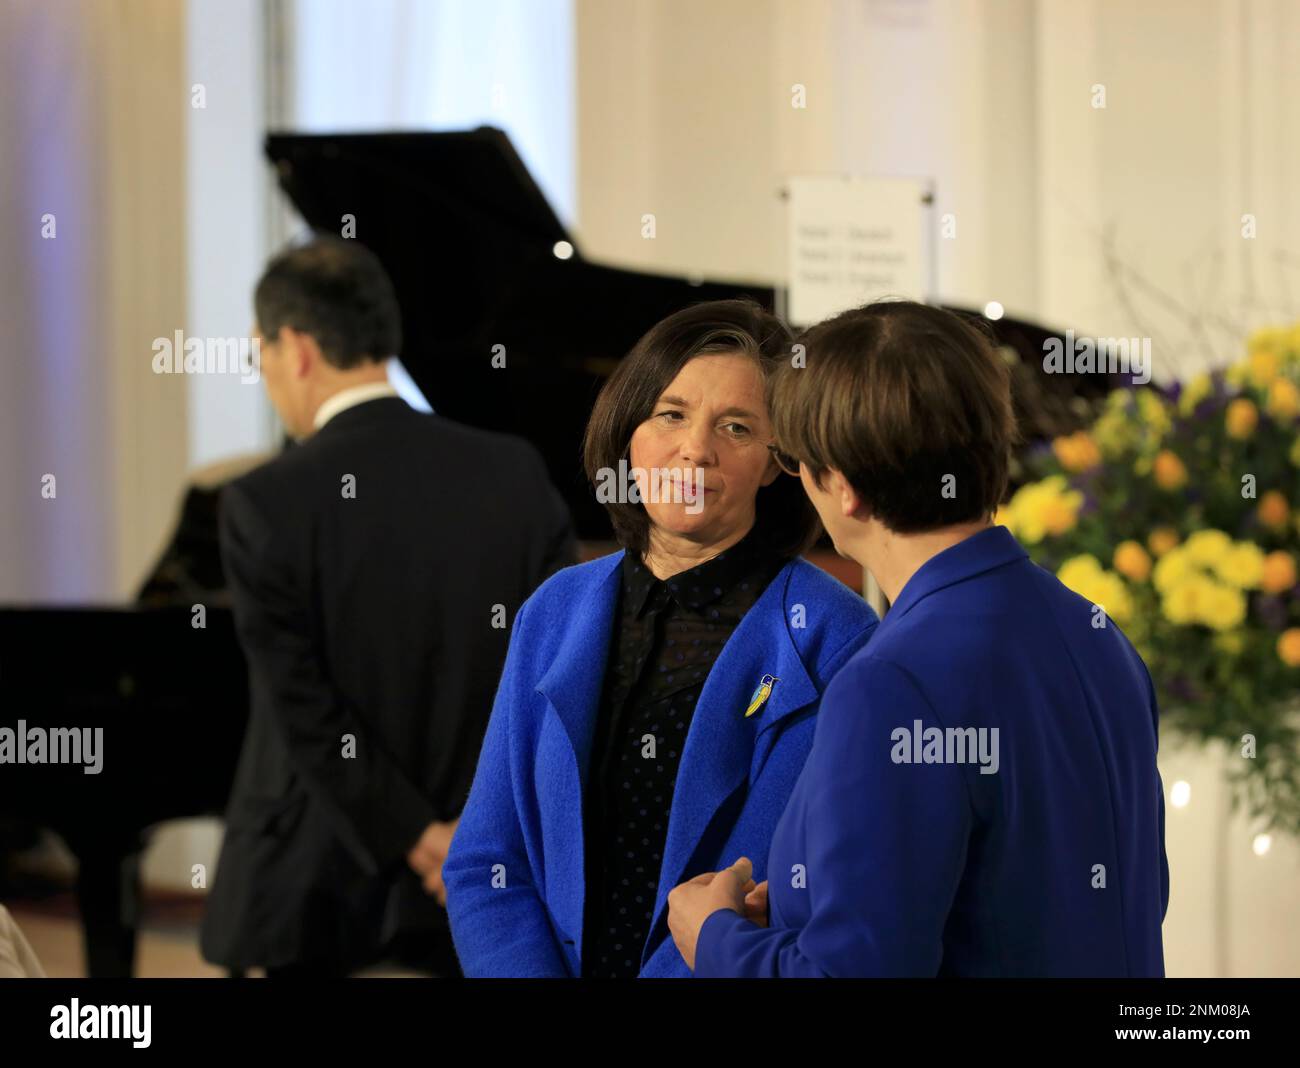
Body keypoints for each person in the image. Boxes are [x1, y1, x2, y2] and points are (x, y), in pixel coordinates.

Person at [668, 300, 1169, 977]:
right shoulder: (1100, 634)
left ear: (841, 486)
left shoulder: (892, 683)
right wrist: (796, 907)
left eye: (794, 461)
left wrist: (715, 938)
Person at [442, 299, 879, 977]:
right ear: (630, 431)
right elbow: (485, 861)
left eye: (736, 427)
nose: (694, 448)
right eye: (670, 414)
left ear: (775, 461)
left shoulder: (834, 636)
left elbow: (778, 889)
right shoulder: (553, 611)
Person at [200, 235, 575, 977]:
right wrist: (466, 834)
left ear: (297, 348)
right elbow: (552, 668)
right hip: (487, 873)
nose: (267, 374)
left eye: (261, 353)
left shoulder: (264, 502)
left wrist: (417, 835)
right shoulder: (513, 471)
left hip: (320, 887)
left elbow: (303, 711)